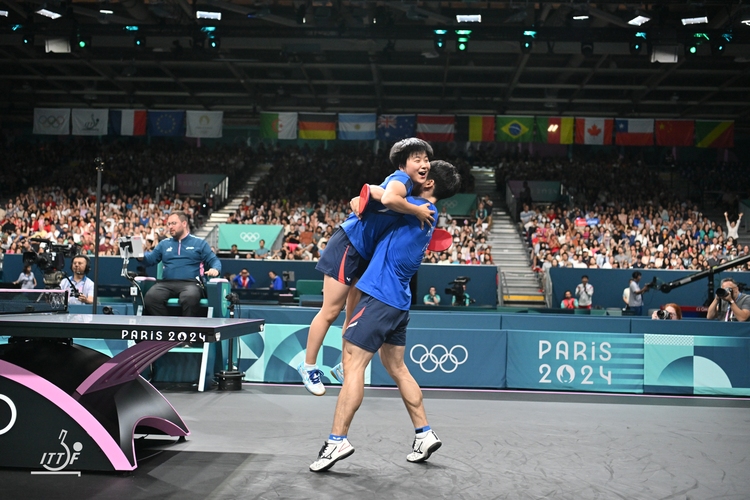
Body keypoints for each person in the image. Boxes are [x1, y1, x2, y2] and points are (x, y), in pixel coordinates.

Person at [309, 160, 460, 473]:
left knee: (353, 364)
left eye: (423, 172)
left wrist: (363, 195)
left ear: (430, 184)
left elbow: (377, 197)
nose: (416, 174)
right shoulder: (427, 214)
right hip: (400, 302)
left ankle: (337, 439)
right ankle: (424, 433)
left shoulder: (410, 205)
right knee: (397, 367)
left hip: (379, 296)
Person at [298, 138, 435, 396]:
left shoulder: (409, 189)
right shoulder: (401, 180)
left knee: (352, 318)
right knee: (330, 311)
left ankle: (343, 366)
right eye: (417, 159)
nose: (424, 164)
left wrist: (367, 192)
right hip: (349, 244)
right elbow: (390, 197)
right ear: (403, 164)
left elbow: (373, 191)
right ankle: (309, 366)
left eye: (426, 159)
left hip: (365, 253)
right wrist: (415, 212)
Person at [141, 211, 221, 317]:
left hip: (190, 284)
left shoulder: (199, 243)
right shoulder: (163, 244)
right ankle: (167, 327)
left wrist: (215, 269)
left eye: (174, 223)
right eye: (169, 224)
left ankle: (186, 330)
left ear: (184, 224)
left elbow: (214, 261)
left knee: (190, 298)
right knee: (150, 298)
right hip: (166, 284)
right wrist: (140, 256)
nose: (170, 227)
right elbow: (150, 260)